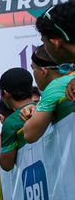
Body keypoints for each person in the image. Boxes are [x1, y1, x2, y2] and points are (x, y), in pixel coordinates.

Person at [24, 13, 74, 142]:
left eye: (33, 68)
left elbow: (30, 135)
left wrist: (31, 115)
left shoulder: (55, 87)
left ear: (44, 71)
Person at [0, 67, 35, 171]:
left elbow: (6, 164)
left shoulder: (11, 123)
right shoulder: (44, 108)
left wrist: (0, 139)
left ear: (5, 93)